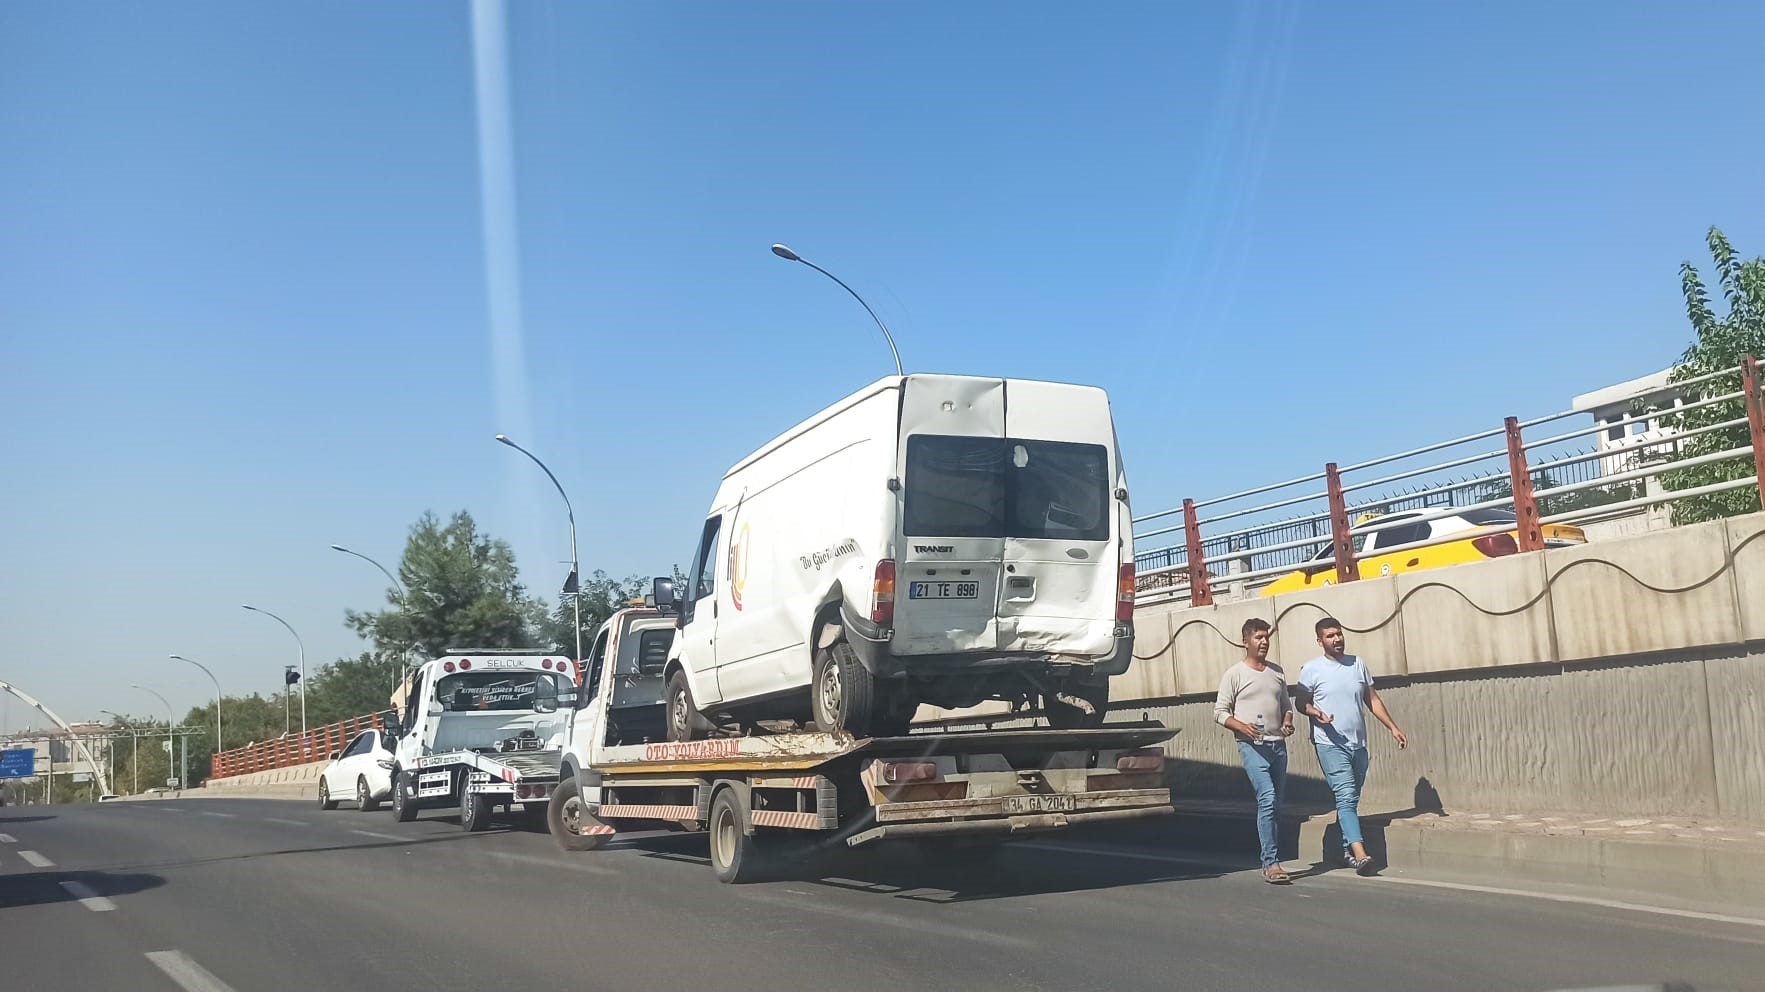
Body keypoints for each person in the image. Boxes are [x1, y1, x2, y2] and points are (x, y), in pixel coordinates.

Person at [1296, 616, 1407, 875]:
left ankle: (1342, 851)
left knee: (1349, 800)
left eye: (1339, 634)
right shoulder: (1312, 669)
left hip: (1358, 745)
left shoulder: (1357, 664)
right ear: (1320, 641)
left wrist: (1392, 727)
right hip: (1330, 744)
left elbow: (1373, 699)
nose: (1337, 639)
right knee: (1345, 796)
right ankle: (1362, 855)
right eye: (1330, 636)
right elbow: (1301, 702)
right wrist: (1314, 713)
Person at [1213, 617, 1294, 883]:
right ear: (1245, 641)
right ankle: (1271, 863)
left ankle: (1272, 856)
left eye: (1266, 637)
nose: (1264, 642)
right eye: (1258, 637)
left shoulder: (1277, 672)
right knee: (1267, 798)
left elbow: (1286, 706)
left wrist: (1287, 720)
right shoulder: (1235, 674)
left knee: (1276, 805)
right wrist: (1241, 726)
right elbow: (1219, 713)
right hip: (1252, 747)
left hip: (1277, 746)